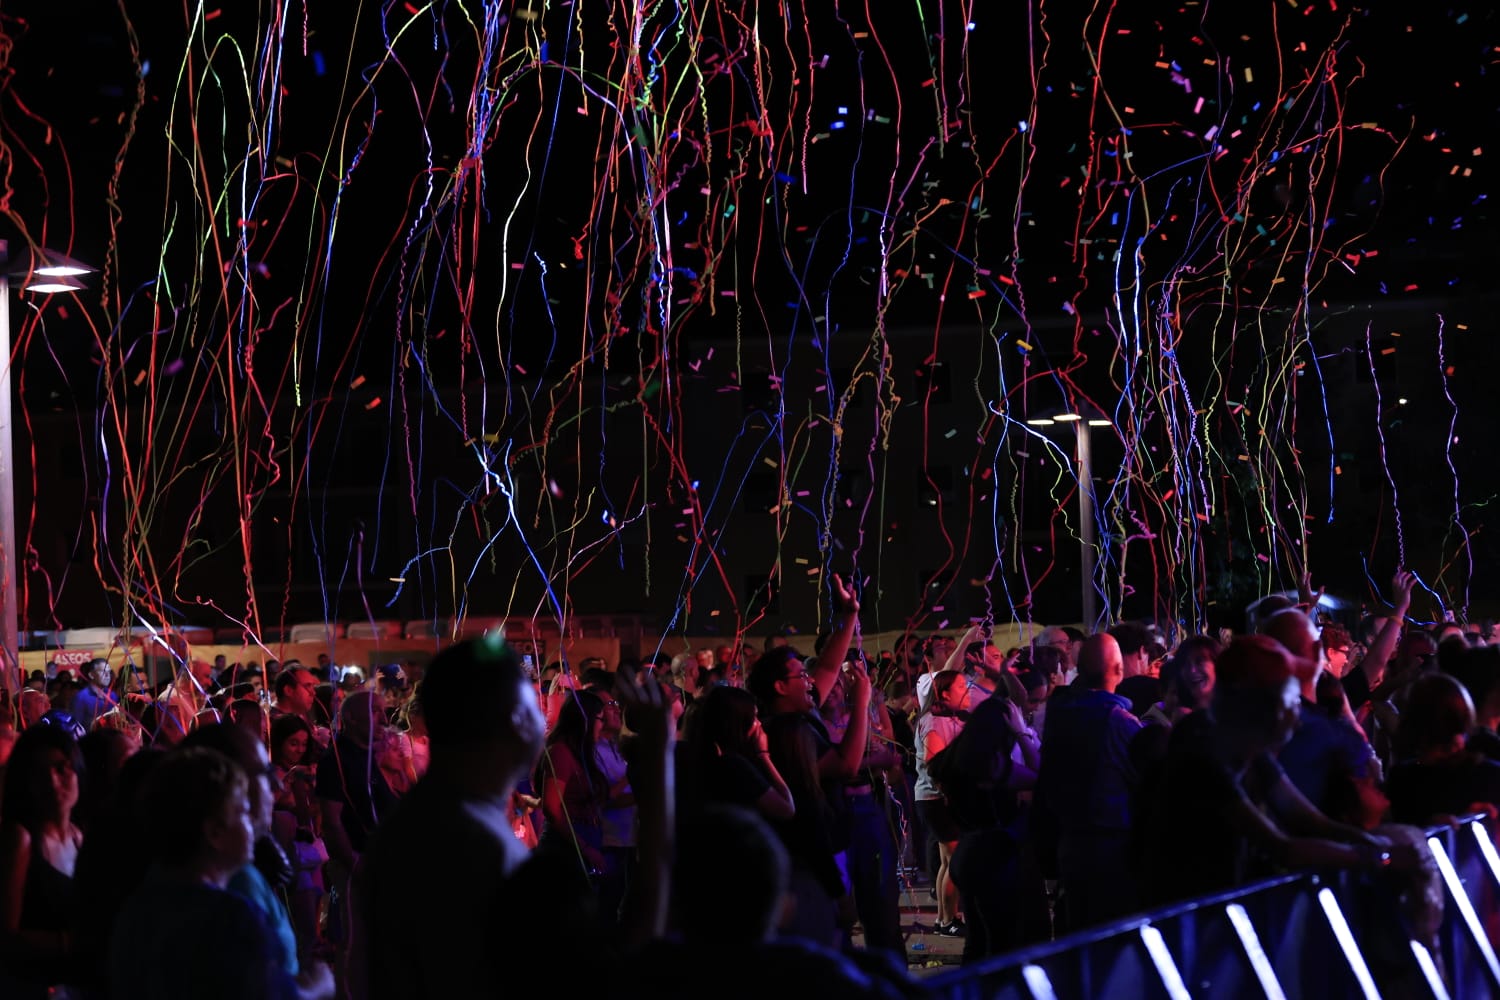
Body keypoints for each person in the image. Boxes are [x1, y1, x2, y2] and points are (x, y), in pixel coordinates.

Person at [359, 633, 675, 996]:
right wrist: (659, 771)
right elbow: (614, 972)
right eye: (533, 710)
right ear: (511, 722)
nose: (543, 721)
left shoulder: (417, 823)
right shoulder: (477, 847)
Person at [109, 747, 299, 999]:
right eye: (242, 811)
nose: (251, 822)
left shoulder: (134, 910)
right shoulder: (234, 919)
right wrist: (318, 987)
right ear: (214, 833)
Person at [0, 726, 84, 997]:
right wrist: (76, 942)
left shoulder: (78, 837)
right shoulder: (20, 839)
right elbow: (6, 935)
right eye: (39, 773)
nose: (52, 781)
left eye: (62, 768)